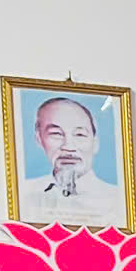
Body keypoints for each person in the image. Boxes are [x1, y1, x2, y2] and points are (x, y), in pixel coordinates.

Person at [17, 93, 124, 226]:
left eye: (79, 134)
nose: (68, 147)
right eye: (56, 134)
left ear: (95, 143)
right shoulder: (22, 194)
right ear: (39, 139)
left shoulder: (120, 201)